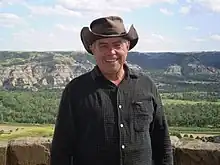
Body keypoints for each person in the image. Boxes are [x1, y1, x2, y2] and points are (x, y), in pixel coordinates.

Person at [50, 16, 173, 165]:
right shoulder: (75, 90)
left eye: (117, 45)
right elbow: (61, 150)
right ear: (92, 49)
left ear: (127, 47)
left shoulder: (146, 85)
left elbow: (162, 141)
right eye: (103, 46)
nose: (111, 52)